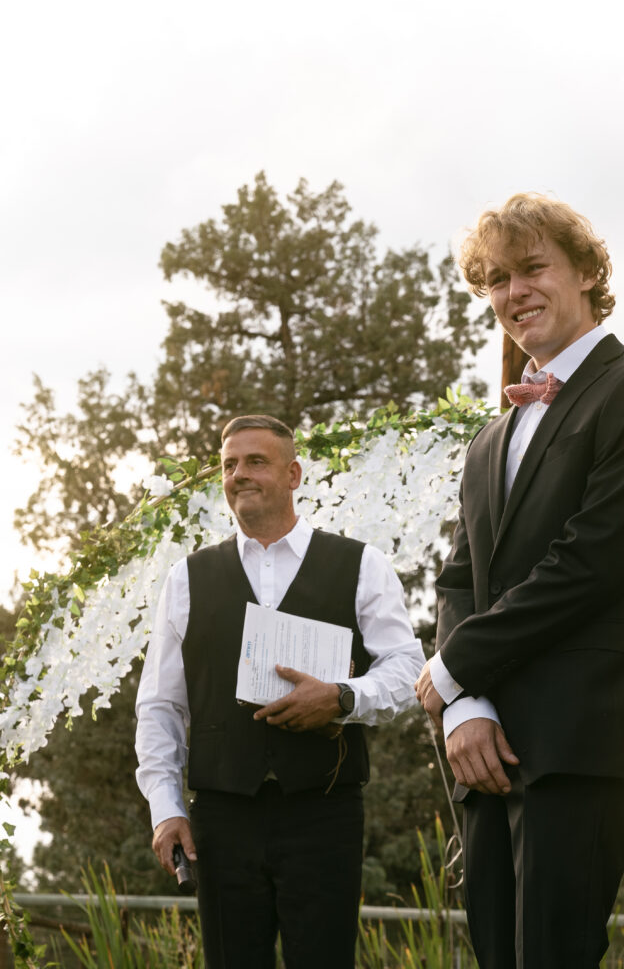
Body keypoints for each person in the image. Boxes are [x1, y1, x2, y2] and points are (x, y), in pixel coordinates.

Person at [415, 194, 624, 969]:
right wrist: (463, 707)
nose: (515, 293)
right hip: (484, 751)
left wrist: (452, 668)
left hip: (579, 739)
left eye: (534, 267)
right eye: (498, 279)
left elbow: (592, 562)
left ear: (587, 271)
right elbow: (459, 577)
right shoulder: (487, 439)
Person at [136, 414, 424, 969]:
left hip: (325, 810)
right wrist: (165, 808)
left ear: (293, 474)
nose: (239, 474)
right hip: (221, 815)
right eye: (229, 465)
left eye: (255, 462)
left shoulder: (362, 565)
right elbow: (160, 704)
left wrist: (342, 697)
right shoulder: (186, 578)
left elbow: (406, 669)